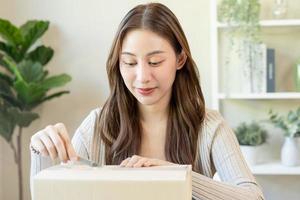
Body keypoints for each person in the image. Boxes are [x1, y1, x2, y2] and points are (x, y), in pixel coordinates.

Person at [30, 3, 265, 200]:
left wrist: (179, 176)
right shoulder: (98, 124)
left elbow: (253, 197)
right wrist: (41, 153)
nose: (142, 77)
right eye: (130, 63)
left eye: (154, 62)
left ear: (180, 59)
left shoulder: (209, 125)